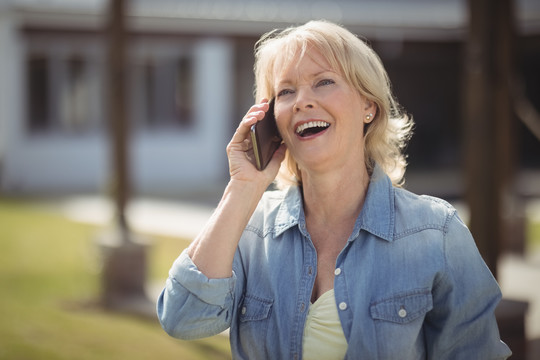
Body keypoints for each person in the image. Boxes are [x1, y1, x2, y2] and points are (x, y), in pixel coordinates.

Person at [157, 20, 511, 359]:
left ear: (368, 106)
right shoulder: (248, 231)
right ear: (270, 120)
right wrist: (243, 187)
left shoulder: (437, 233)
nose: (302, 101)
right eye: (286, 91)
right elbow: (183, 319)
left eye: (324, 82)